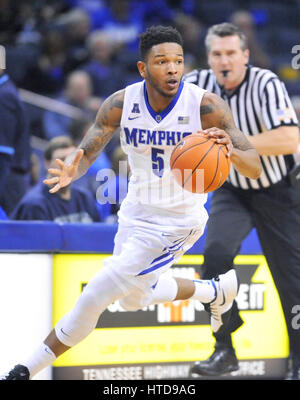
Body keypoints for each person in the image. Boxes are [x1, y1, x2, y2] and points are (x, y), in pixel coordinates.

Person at [2, 25, 261, 380]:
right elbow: (93, 141)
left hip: (177, 221)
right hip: (136, 212)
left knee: (97, 292)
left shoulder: (205, 105)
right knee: (133, 299)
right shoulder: (122, 103)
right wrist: (73, 169)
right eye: (162, 61)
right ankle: (214, 291)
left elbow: (254, 165)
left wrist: (230, 150)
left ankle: (22, 370)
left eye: (178, 61)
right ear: (143, 69)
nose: (172, 69)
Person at [184, 22, 300, 379]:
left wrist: (231, 141)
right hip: (231, 190)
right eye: (217, 54)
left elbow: (289, 138)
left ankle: (298, 361)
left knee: (291, 280)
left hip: (279, 188)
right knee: (215, 258)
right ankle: (224, 349)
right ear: (209, 58)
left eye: (231, 53)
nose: (225, 61)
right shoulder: (196, 85)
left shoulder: (266, 83)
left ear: (245, 55)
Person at [10, 136, 101, 223]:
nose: (69, 165)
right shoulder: (34, 205)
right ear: (47, 163)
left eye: (73, 159)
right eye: (62, 159)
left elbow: (97, 236)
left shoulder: (84, 198)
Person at [0, 68, 31, 216]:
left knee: (17, 230)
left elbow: (4, 148)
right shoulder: (7, 90)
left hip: (7, 175)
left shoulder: (3, 95)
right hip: (11, 175)